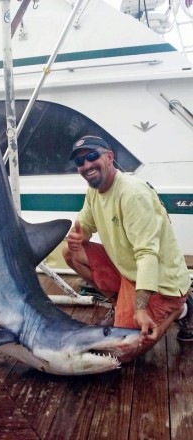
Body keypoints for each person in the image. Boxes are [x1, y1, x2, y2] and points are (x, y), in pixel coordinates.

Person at [63, 135, 192, 348]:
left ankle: (182, 308)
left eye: (92, 156)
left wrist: (140, 310)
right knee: (70, 253)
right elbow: (85, 226)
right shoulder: (94, 191)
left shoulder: (132, 194)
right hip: (128, 271)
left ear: (110, 157)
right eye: (79, 161)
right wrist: (79, 237)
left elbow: (148, 254)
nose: (86, 165)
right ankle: (118, 302)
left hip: (160, 282)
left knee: (124, 349)